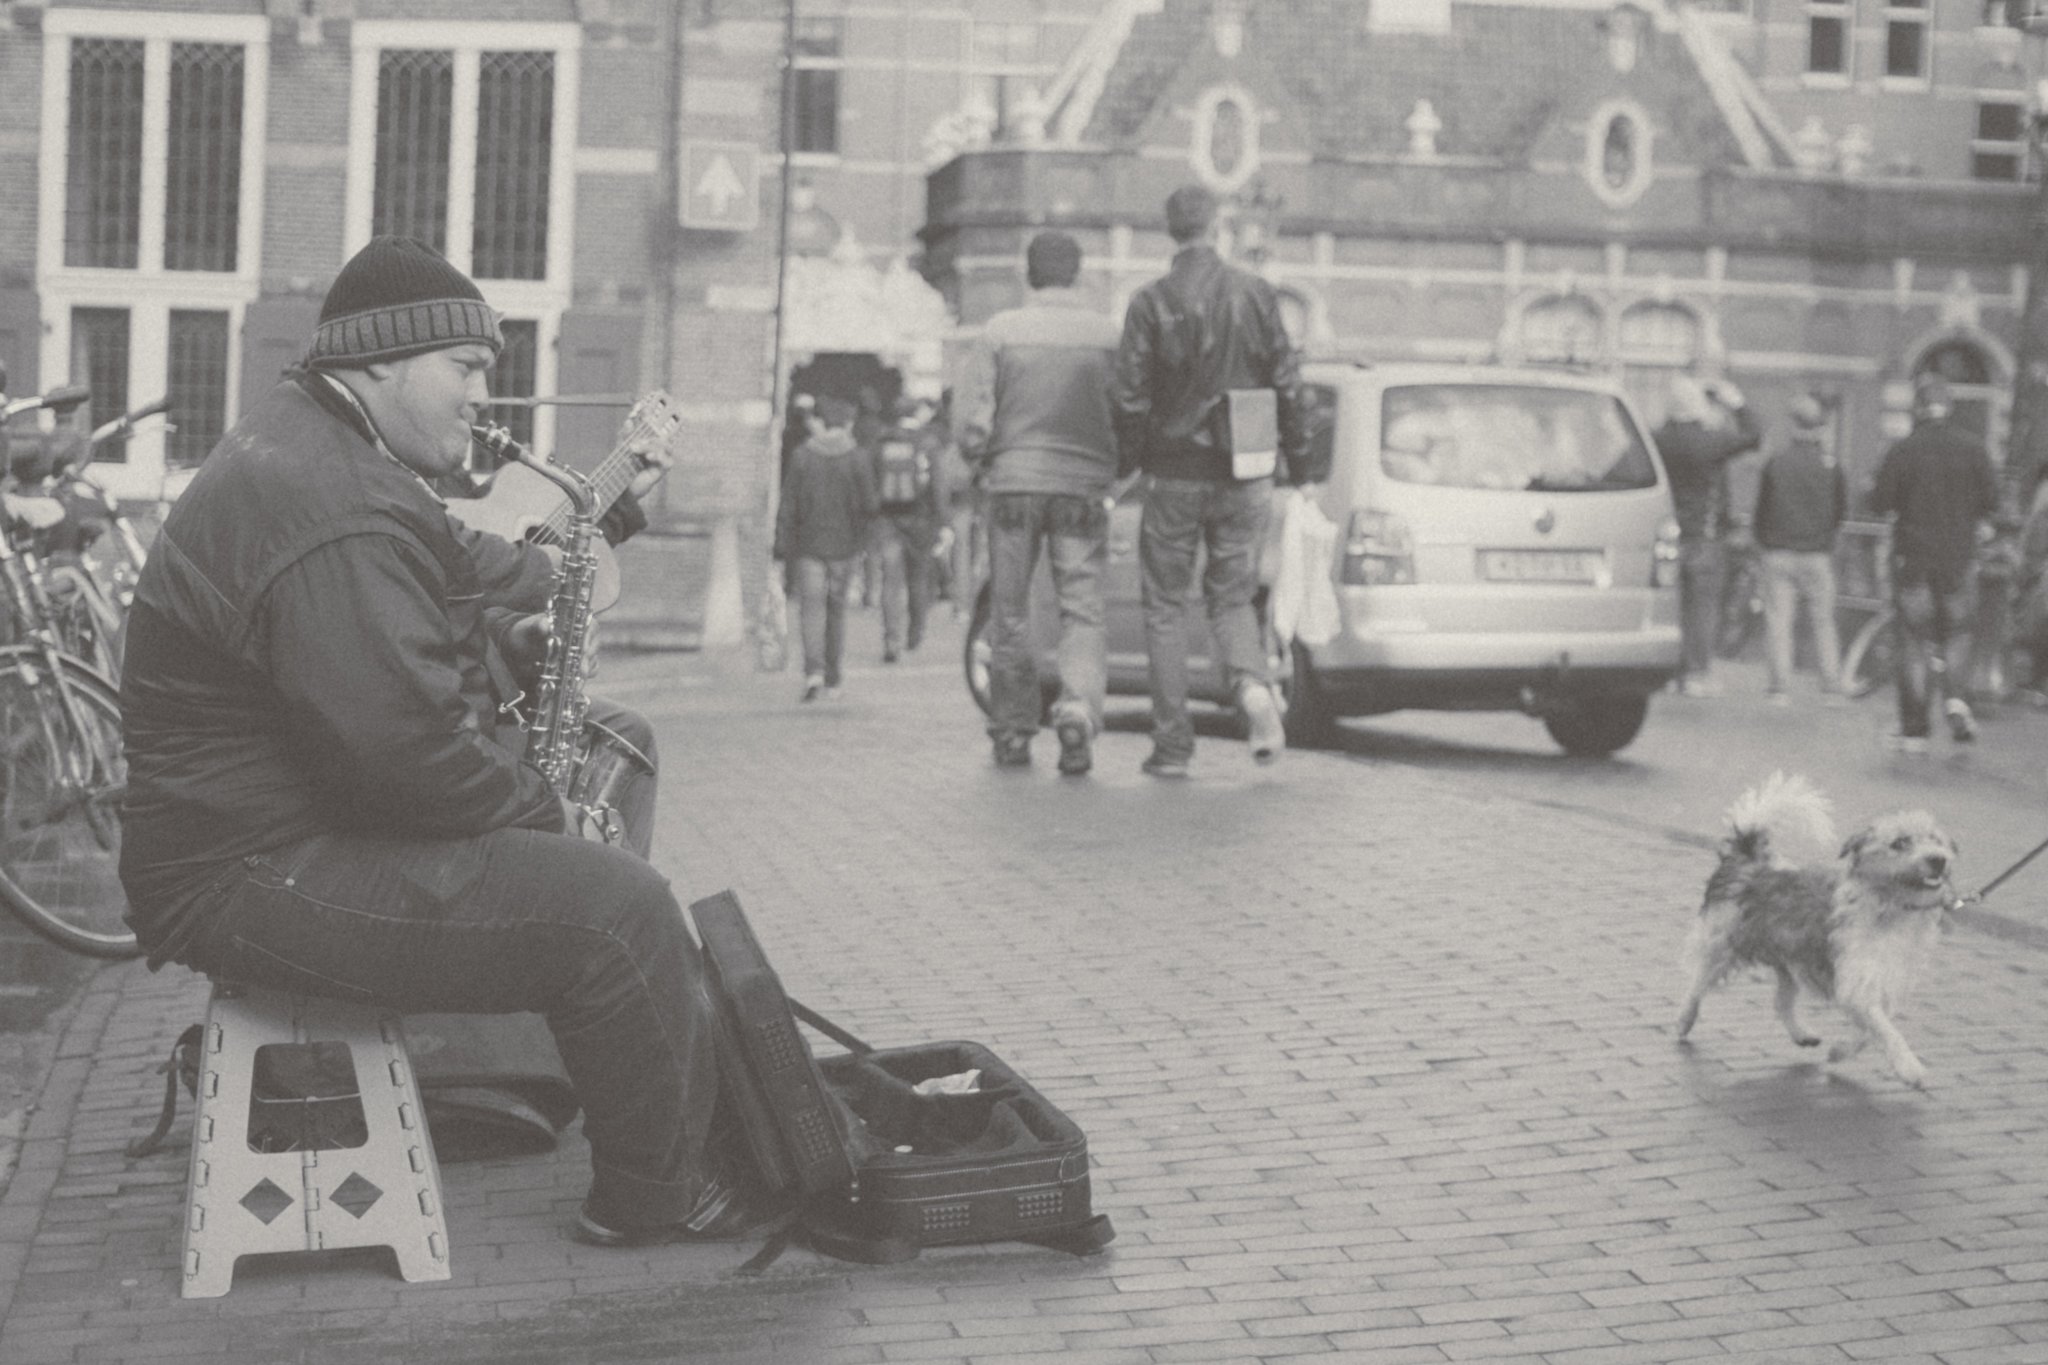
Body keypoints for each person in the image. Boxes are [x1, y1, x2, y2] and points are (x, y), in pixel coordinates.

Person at [117, 235, 771, 1247]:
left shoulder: (326, 449)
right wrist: (543, 811)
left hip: (262, 834)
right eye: (465, 367)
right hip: (245, 871)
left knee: (607, 762)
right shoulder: (331, 501)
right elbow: (400, 760)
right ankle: (657, 1194)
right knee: (621, 910)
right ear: (381, 359)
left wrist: (541, 602)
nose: (481, 397)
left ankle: (534, 1070)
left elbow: (467, 567)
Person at [1112, 185, 1322, 778]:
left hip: (1174, 472)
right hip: (1245, 470)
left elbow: (1129, 397)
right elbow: (1288, 385)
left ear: (1170, 231)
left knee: (1165, 606)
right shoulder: (1255, 293)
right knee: (1231, 598)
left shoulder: (1150, 302)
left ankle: (1173, 746)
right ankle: (1252, 688)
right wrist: (1302, 468)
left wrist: (1129, 462)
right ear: (1217, 227)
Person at [956, 230, 1122, 774]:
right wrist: (1114, 468)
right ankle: (1077, 709)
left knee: (1010, 611)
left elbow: (973, 419)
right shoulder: (1108, 336)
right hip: (1081, 486)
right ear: (1077, 274)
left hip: (1013, 485)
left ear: (1029, 273)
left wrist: (981, 458)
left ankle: (1012, 729)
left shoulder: (1001, 332)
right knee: (1082, 609)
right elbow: (1129, 412)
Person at [1870, 374, 2001, 748]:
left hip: (1913, 560)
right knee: (1959, 632)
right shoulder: (1974, 448)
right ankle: (1956, 699)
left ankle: (1914, 731)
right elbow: (1992, 501)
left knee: (1914, 641)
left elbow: (1880, 503)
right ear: (1950, 408)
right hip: (1958, 560)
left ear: (1918, 409)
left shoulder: (1903, 450)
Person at [1653, 374, 1761, 697]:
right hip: (1705, 535)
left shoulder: (1658, 439)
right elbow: (1753, 435)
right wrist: (1735, 402)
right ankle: (1697, 674)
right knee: (1702, 608)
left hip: (1668, 534)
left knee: (1672, 607)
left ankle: (1671, 673)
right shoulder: (1710, 441)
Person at [774, 393, 878, 701]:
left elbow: (788, 505)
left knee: (810, 610)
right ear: (845, 424)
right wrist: (861, 537)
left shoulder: (802, 456)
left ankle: (813, 673)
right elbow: (870, 505)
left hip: (809, 546)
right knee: (836, 611)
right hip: (845, 547)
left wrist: (782, 544)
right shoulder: (857, 457)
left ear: (820, 422)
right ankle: (834, 677)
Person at [1752, 392, 1848, 703]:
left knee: (1779, 620)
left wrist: (1764, 540)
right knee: (1824, 620)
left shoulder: (1776, 463)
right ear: (1820, 427)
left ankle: (1780, 687)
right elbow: (1839, 511)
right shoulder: (1831, 466)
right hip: (1816, 553)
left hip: (1778, 551)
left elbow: (1762, 509)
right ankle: (1831, 685)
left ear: (1793, 425)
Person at [871, 396, 946, 663]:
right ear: (917, 413)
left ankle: (891, 640)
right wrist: (942, 521)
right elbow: (938, 486)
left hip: (888, 519)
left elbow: (871, 481)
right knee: (918, 577)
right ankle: (915, 632)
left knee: (890, 581)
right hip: (920, 520)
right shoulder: (928, 443)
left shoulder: (882, 442)